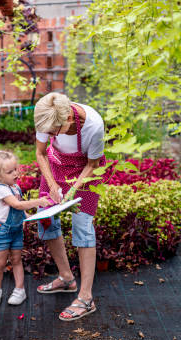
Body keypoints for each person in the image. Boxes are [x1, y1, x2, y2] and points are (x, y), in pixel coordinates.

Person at [33, 92, 106, 321]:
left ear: (68, 119)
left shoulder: (93, 126)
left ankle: (86, 298)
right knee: (45, 216)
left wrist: (72, 192)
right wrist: (54, 185)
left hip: (86, 171)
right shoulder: (47, 115)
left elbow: (93, 164)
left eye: (56, 130)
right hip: (56, 166)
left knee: (82, 225)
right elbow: (41, 152)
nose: (51, 135)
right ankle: (66, 278)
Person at [0, 150, 51, 306]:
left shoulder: (15, 188)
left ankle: (20, 290)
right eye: (10, 172)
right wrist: (39, 202)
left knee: (16, 260)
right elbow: (15, 204)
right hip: (2, 231)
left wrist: (27, 216)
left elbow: (19, 207)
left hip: (16, 231)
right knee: (0, 263)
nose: (15, 173)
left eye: (16, 169)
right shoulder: (1, 189)